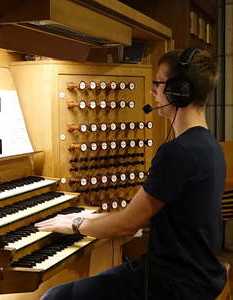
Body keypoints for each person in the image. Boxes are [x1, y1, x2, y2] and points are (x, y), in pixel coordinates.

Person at [36, 48, 226, 300]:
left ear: (179, 91)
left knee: (56, 297)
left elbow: (127, 225)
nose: (152, 92)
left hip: (175, 282)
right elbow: (156, 214)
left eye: (158, 83)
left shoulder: (178, 152)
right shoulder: (210, 145)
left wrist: (76, 223)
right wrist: (98, 218)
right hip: (200, 273)